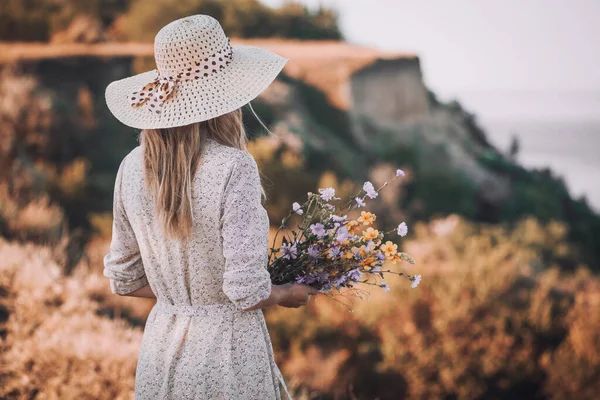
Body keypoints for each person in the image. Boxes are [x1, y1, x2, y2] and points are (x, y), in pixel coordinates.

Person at [103, 14, 316, 400]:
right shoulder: (233, 167)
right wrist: (287, 294)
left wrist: (182, 299)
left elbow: (125, 280)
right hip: (228, 353)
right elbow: (246, 291)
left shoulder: (130, 167)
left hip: (160, 350)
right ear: (225, 95)